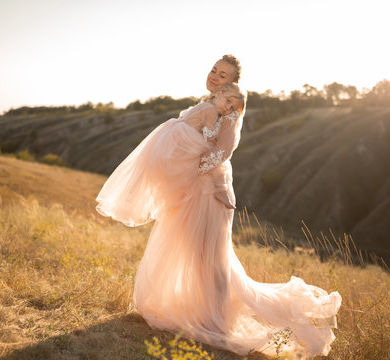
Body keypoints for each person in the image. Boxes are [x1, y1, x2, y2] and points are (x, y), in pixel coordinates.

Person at [95, 56, 341, 358]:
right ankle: (198, 310)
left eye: (223, 75)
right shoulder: (209, 103)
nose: (215, 76)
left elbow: (223, 151)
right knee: (190, 253)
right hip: (189, 192)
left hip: (210, 192)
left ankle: (220, 321)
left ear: (233, 83)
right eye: (214, 70)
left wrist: (191, 170)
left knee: (213, 260)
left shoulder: (230, 114)